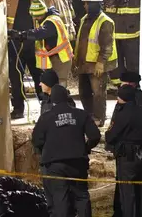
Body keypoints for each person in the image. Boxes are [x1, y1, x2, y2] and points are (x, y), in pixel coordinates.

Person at [32, 85, 100, 217]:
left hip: (55, 165)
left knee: (60, 198)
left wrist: (46, 151)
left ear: (52, 100)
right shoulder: (81, 114)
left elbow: (36, 141)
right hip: (78, 161)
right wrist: (85, 148)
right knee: (81, 196)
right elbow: (95, 136)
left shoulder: (46, 117)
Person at [0, 0, 47, 119]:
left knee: (40, 77)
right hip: (13, 45)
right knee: (16, 78)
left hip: (34, 45)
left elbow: (45, 18)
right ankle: (18, 109)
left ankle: (46, 106)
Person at [105, 86, 142, 217]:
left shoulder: (122, 114)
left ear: (123, 98)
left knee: (128, 193)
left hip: (127, 157)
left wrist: (108, 135)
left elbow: (111, 136)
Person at [75, 0, 118, 127]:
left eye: (86, 3)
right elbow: (80, 42)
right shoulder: (84, 19)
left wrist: (101, 63)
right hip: (84, 63)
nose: (84, 6)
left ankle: (99, 118)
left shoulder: (105, 21)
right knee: (84, 92)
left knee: (98, 93)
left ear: (94, 4)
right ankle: (89, 116)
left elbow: (107, 46)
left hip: (96, 65)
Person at [101, 0, 142, 88]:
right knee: (115, 64)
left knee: (133, 63)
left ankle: (133, 87)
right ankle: (118, 87)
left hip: (132, 36)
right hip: (113, 36)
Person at [10, 5, 74, 87]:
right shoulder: (45, 20)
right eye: (35, 16)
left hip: (61, 58)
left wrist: (22, 35)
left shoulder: (51, 22)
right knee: (52, 85)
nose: (36, 18)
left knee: (59, 85)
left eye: (38, 16)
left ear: (44, 12)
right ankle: (52, 99)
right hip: (54, 57)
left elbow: (39, 33)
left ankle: (60, 99)